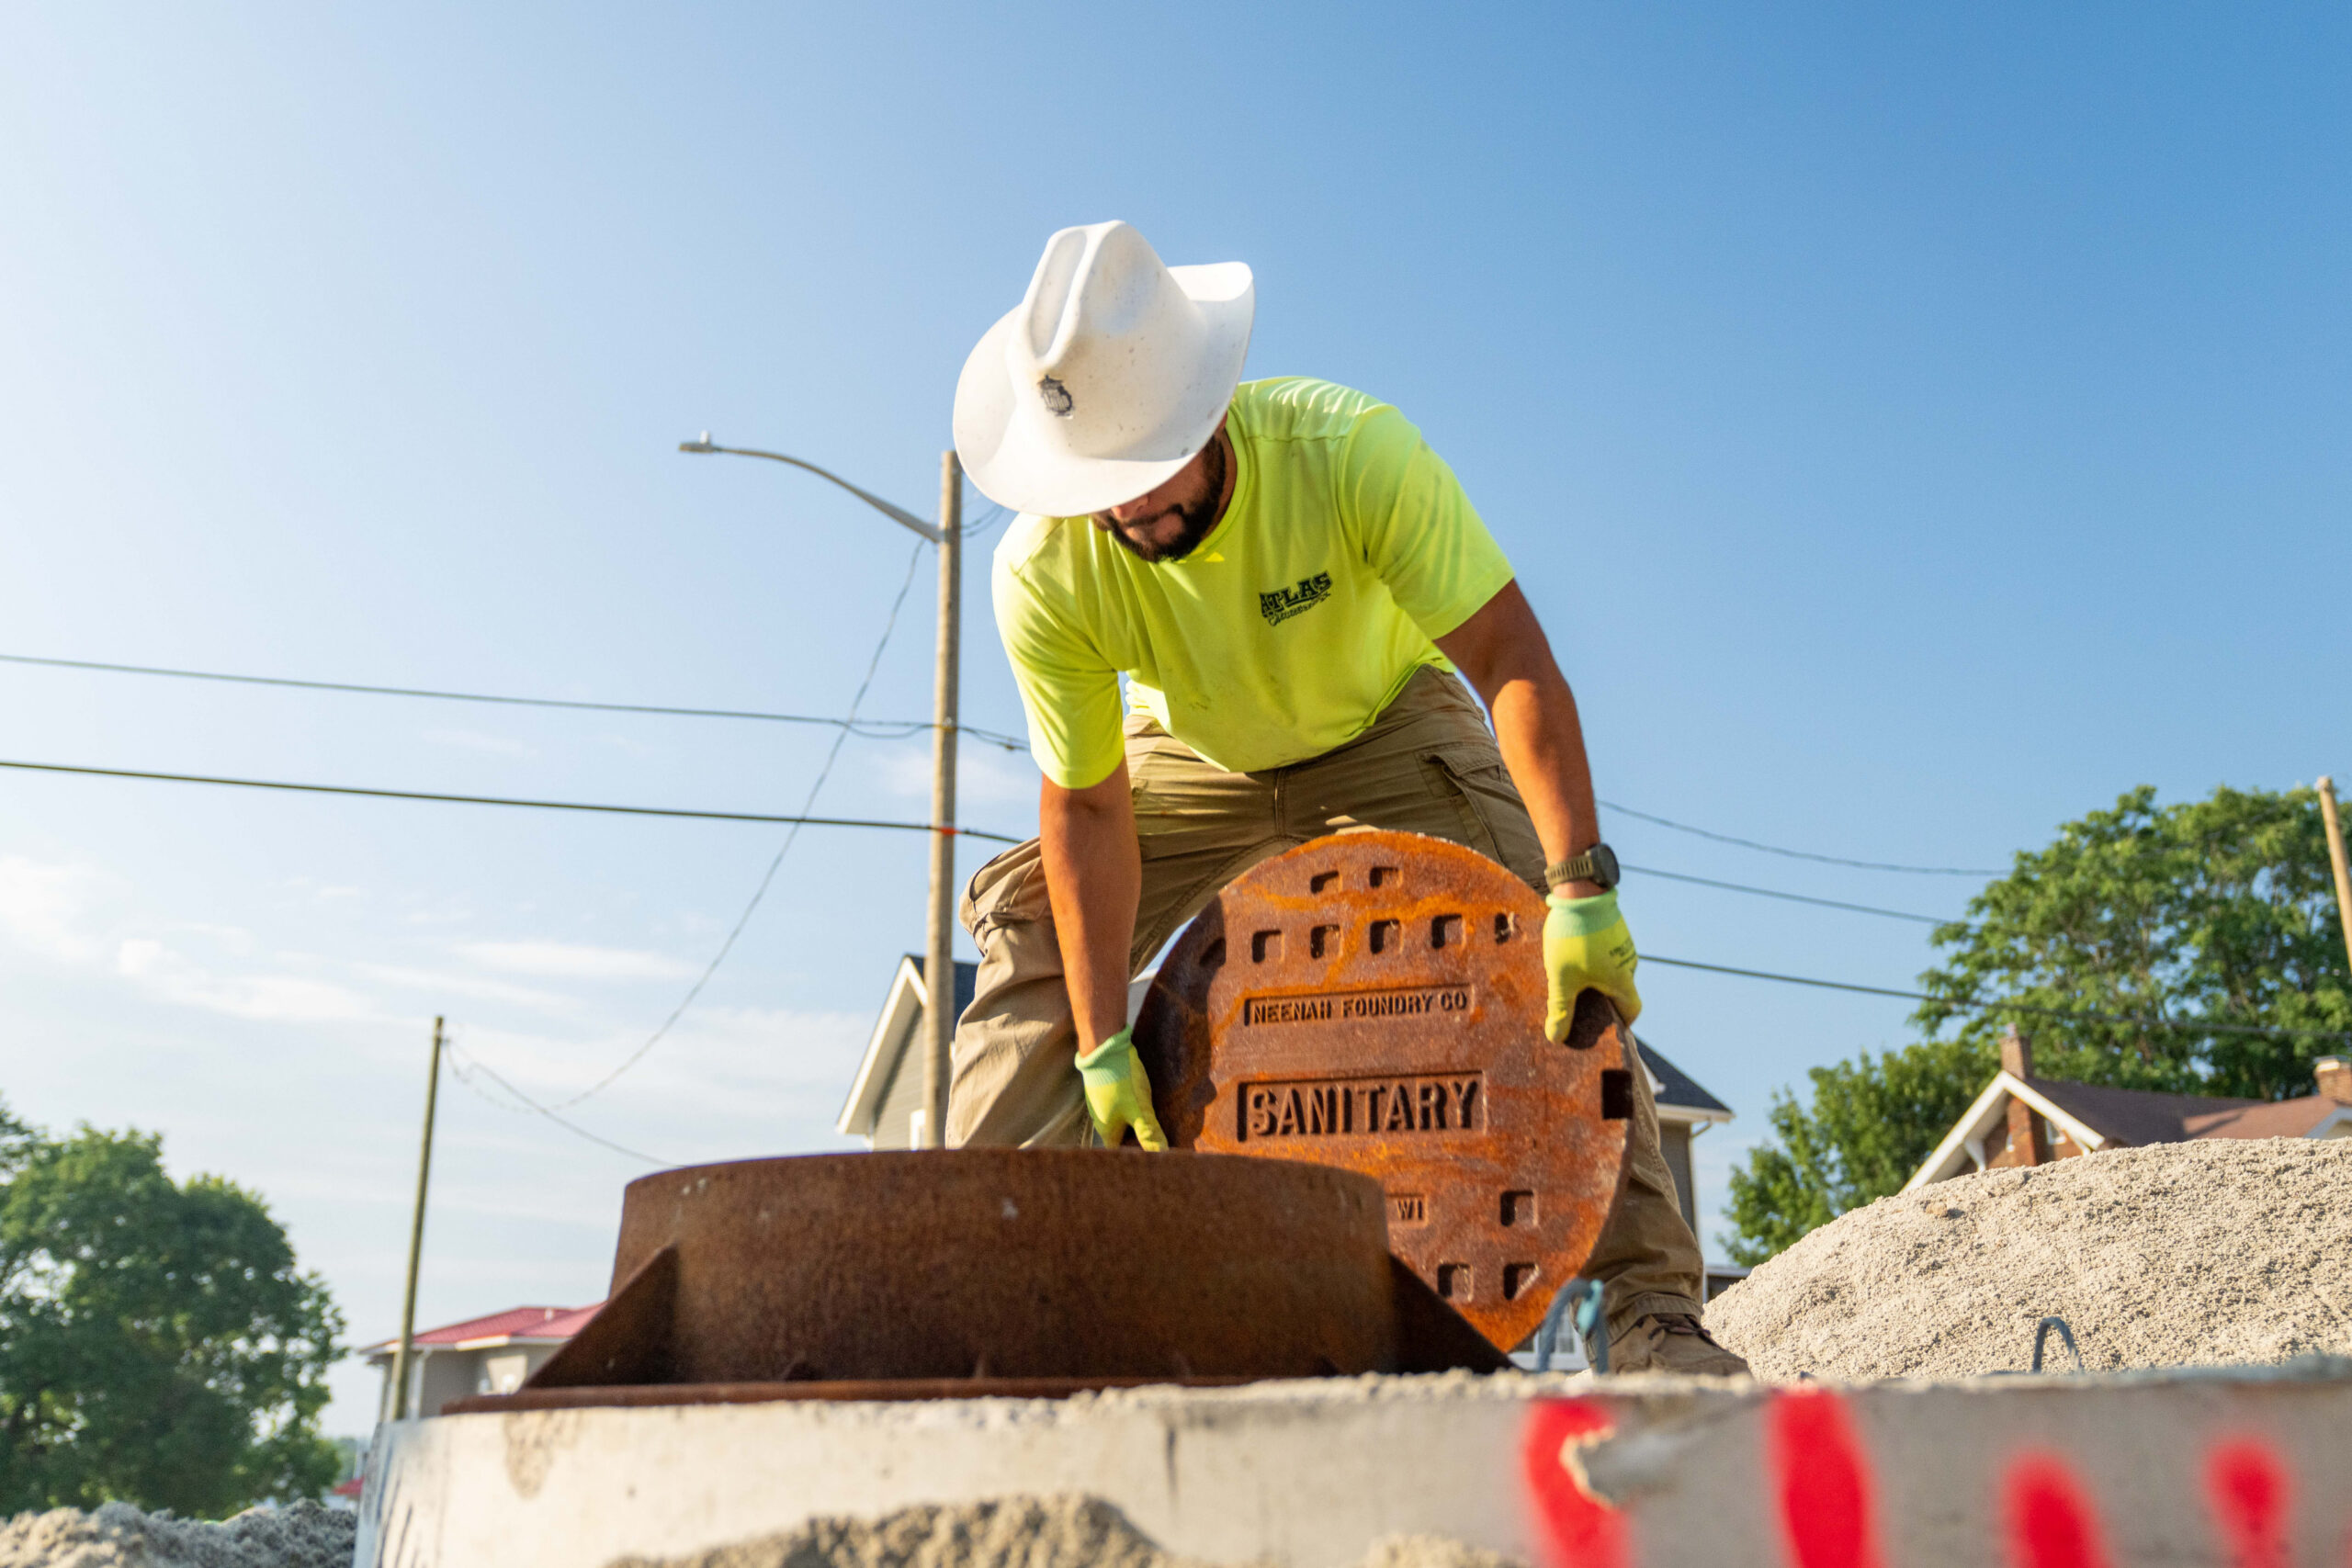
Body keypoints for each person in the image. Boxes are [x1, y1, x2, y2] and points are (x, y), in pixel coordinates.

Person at [944, 220, 1745, 1377]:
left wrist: (1576, 886)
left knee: (1537, 942)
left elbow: (1509, 656)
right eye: (1100, 489)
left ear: (1208, 413)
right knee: (1033, 931)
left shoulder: (1348, 450)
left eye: (1147, 476)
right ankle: (998, 1314)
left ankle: (1653, 1315)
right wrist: (1105, 1034)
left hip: (1383, 716)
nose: (1128, 513)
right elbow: (1086, 810)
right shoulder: (1045, 573)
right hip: (1193, 754)